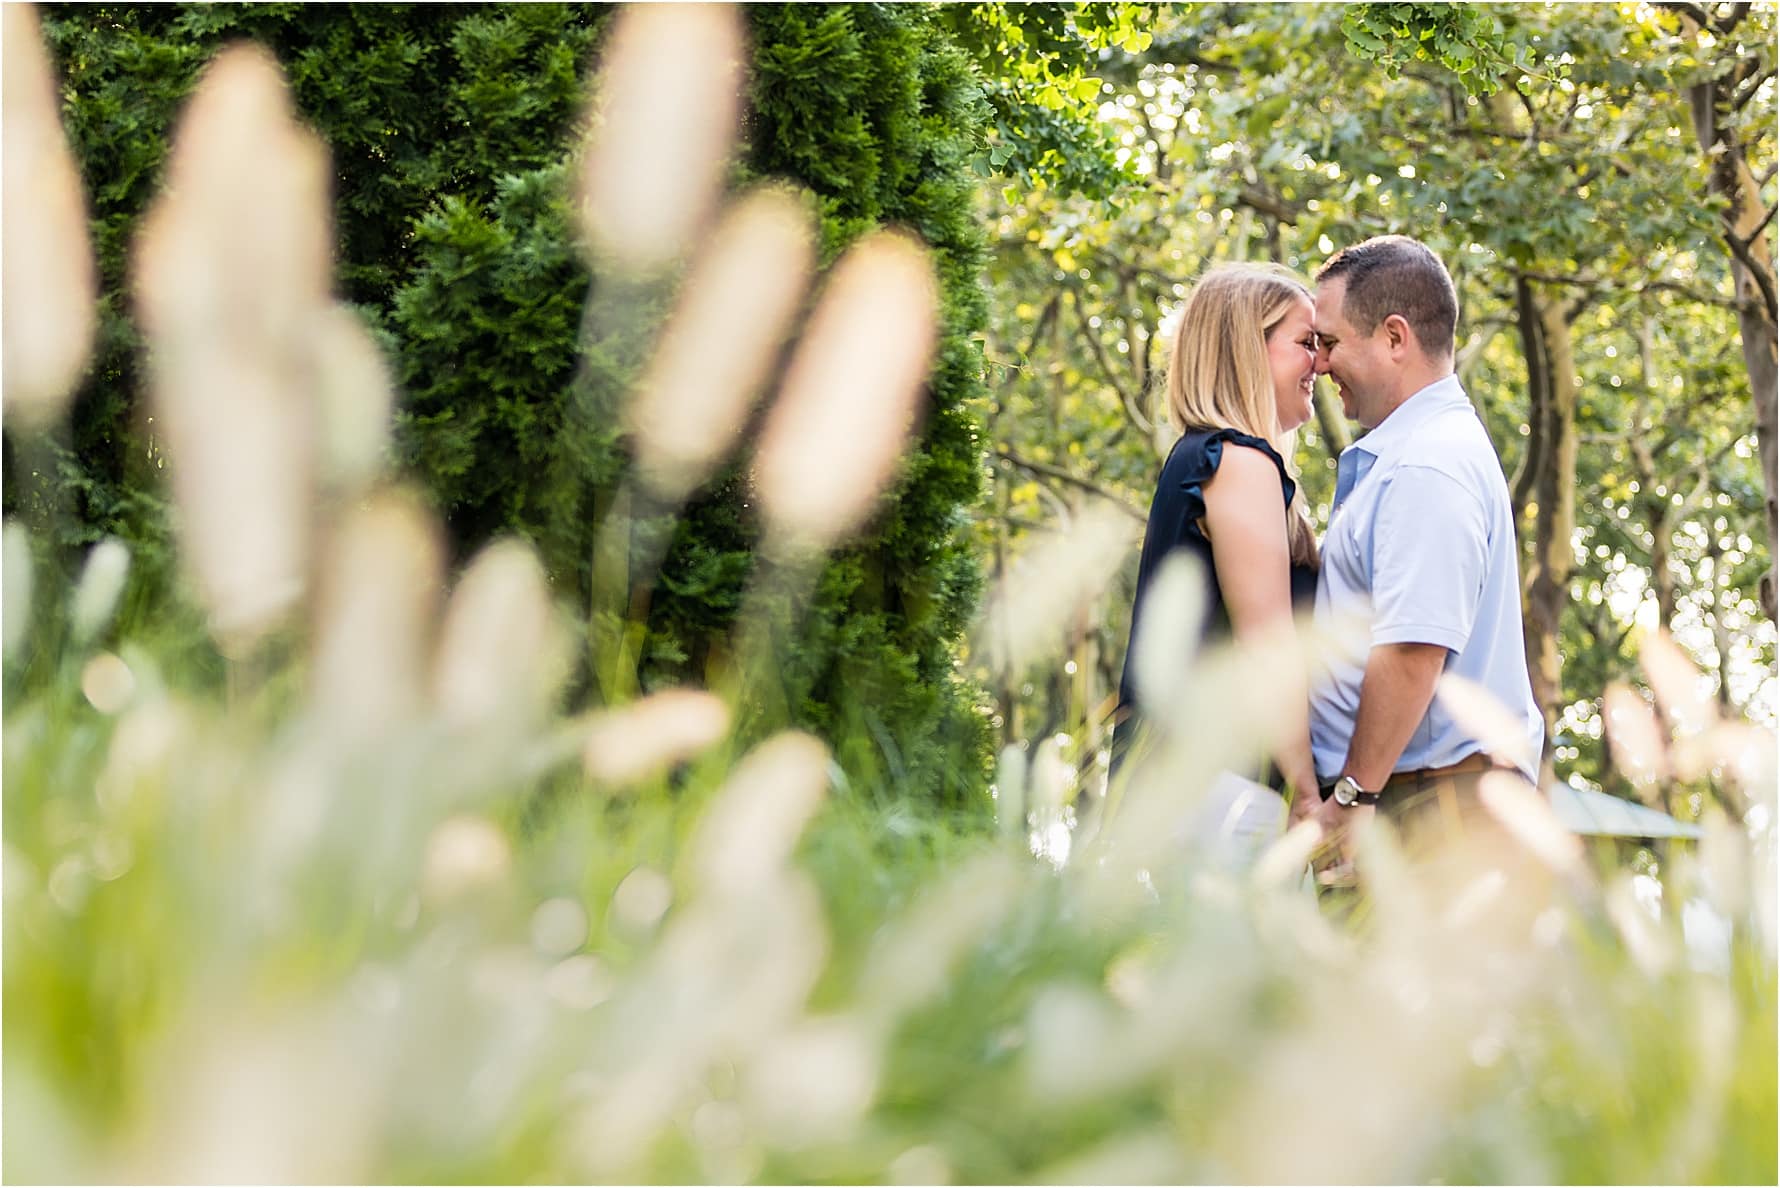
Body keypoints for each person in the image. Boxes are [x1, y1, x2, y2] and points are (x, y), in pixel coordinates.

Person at [1305, 235, 1543, 859]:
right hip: (1419, 799)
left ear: (1393, 337)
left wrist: (1353, 799)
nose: (1320, 364)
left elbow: (1413, 651)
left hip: (1430, 810)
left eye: (1329, 342)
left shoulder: (1426, 466)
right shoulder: (1416, 455)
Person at [1111, 263, 1322, 820]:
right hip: (1217, 789)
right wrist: (1308, 794)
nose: (1320, 362)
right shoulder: (1237, 461)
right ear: (1249, 349)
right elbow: (1268, 644)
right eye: (1306, 342)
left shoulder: (1204, 458)